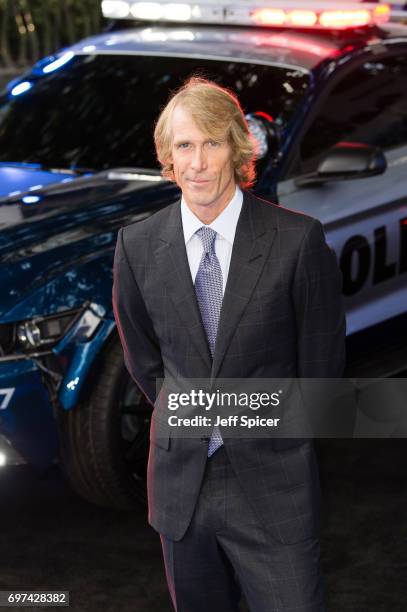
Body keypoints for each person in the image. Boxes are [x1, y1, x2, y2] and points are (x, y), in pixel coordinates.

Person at [112, 77, 346, 612]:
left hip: (274, 485)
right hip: (181, 489)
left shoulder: (297, 241)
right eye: (183, 146)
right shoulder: (139, 244)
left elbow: (322, 371)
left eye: (211, 143)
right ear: (167, 157)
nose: (196, 162)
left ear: (238, 148)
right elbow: (146, 362)